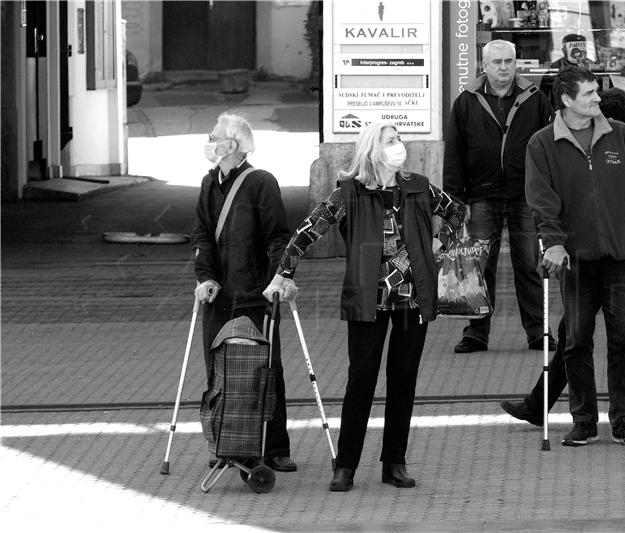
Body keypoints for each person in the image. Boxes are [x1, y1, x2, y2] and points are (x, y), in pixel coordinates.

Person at [265, 122, 465, 491]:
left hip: (411, 300)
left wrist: (440, 243)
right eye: (391, 141)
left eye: (399, 140)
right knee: (361, 380)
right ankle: (346, 465)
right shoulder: (349, 194)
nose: (399, 146)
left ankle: (395, 462)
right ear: (373, 149)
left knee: (403, 381)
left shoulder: (418, 186)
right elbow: (308, 230)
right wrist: (284, 273)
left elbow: (457, 212)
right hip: (367, 301)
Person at [500, 86, 625, 428]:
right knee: (593, 334)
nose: (596, 100)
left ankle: (546, 405)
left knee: (620, 333)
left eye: (597, 94)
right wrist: (554, 240)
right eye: (588, 93)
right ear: (567, 100)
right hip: (585, 253)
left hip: (622, 247)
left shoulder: (619, 137)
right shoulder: (545, 143)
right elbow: (544, 199)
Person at [192, 112, 297, 472]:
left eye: (215, 135)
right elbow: (203, 235)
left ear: (233, 145)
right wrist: (205, 276)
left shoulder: (261, 183)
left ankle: (275, 446)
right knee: (219, 372)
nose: (210, 140)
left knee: (266, 371)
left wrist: (277, 281)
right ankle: (225, 443)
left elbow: (279, 238)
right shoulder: (209, 183)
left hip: (256, 295)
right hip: (219, 297)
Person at [443, 39, 553, 354]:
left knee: (529, 265)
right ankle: (476, 333)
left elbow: (549, 149)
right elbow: (455, 152)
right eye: (497, 62)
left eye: (508, 61)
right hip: (481, 195)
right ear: (485, 65)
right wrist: (454, 201)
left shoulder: (535, 99)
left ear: (516, 63)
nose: (503, 67)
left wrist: (549, 192)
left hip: (525, 196)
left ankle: (538, 332)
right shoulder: (467, 101)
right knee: (478, 266)